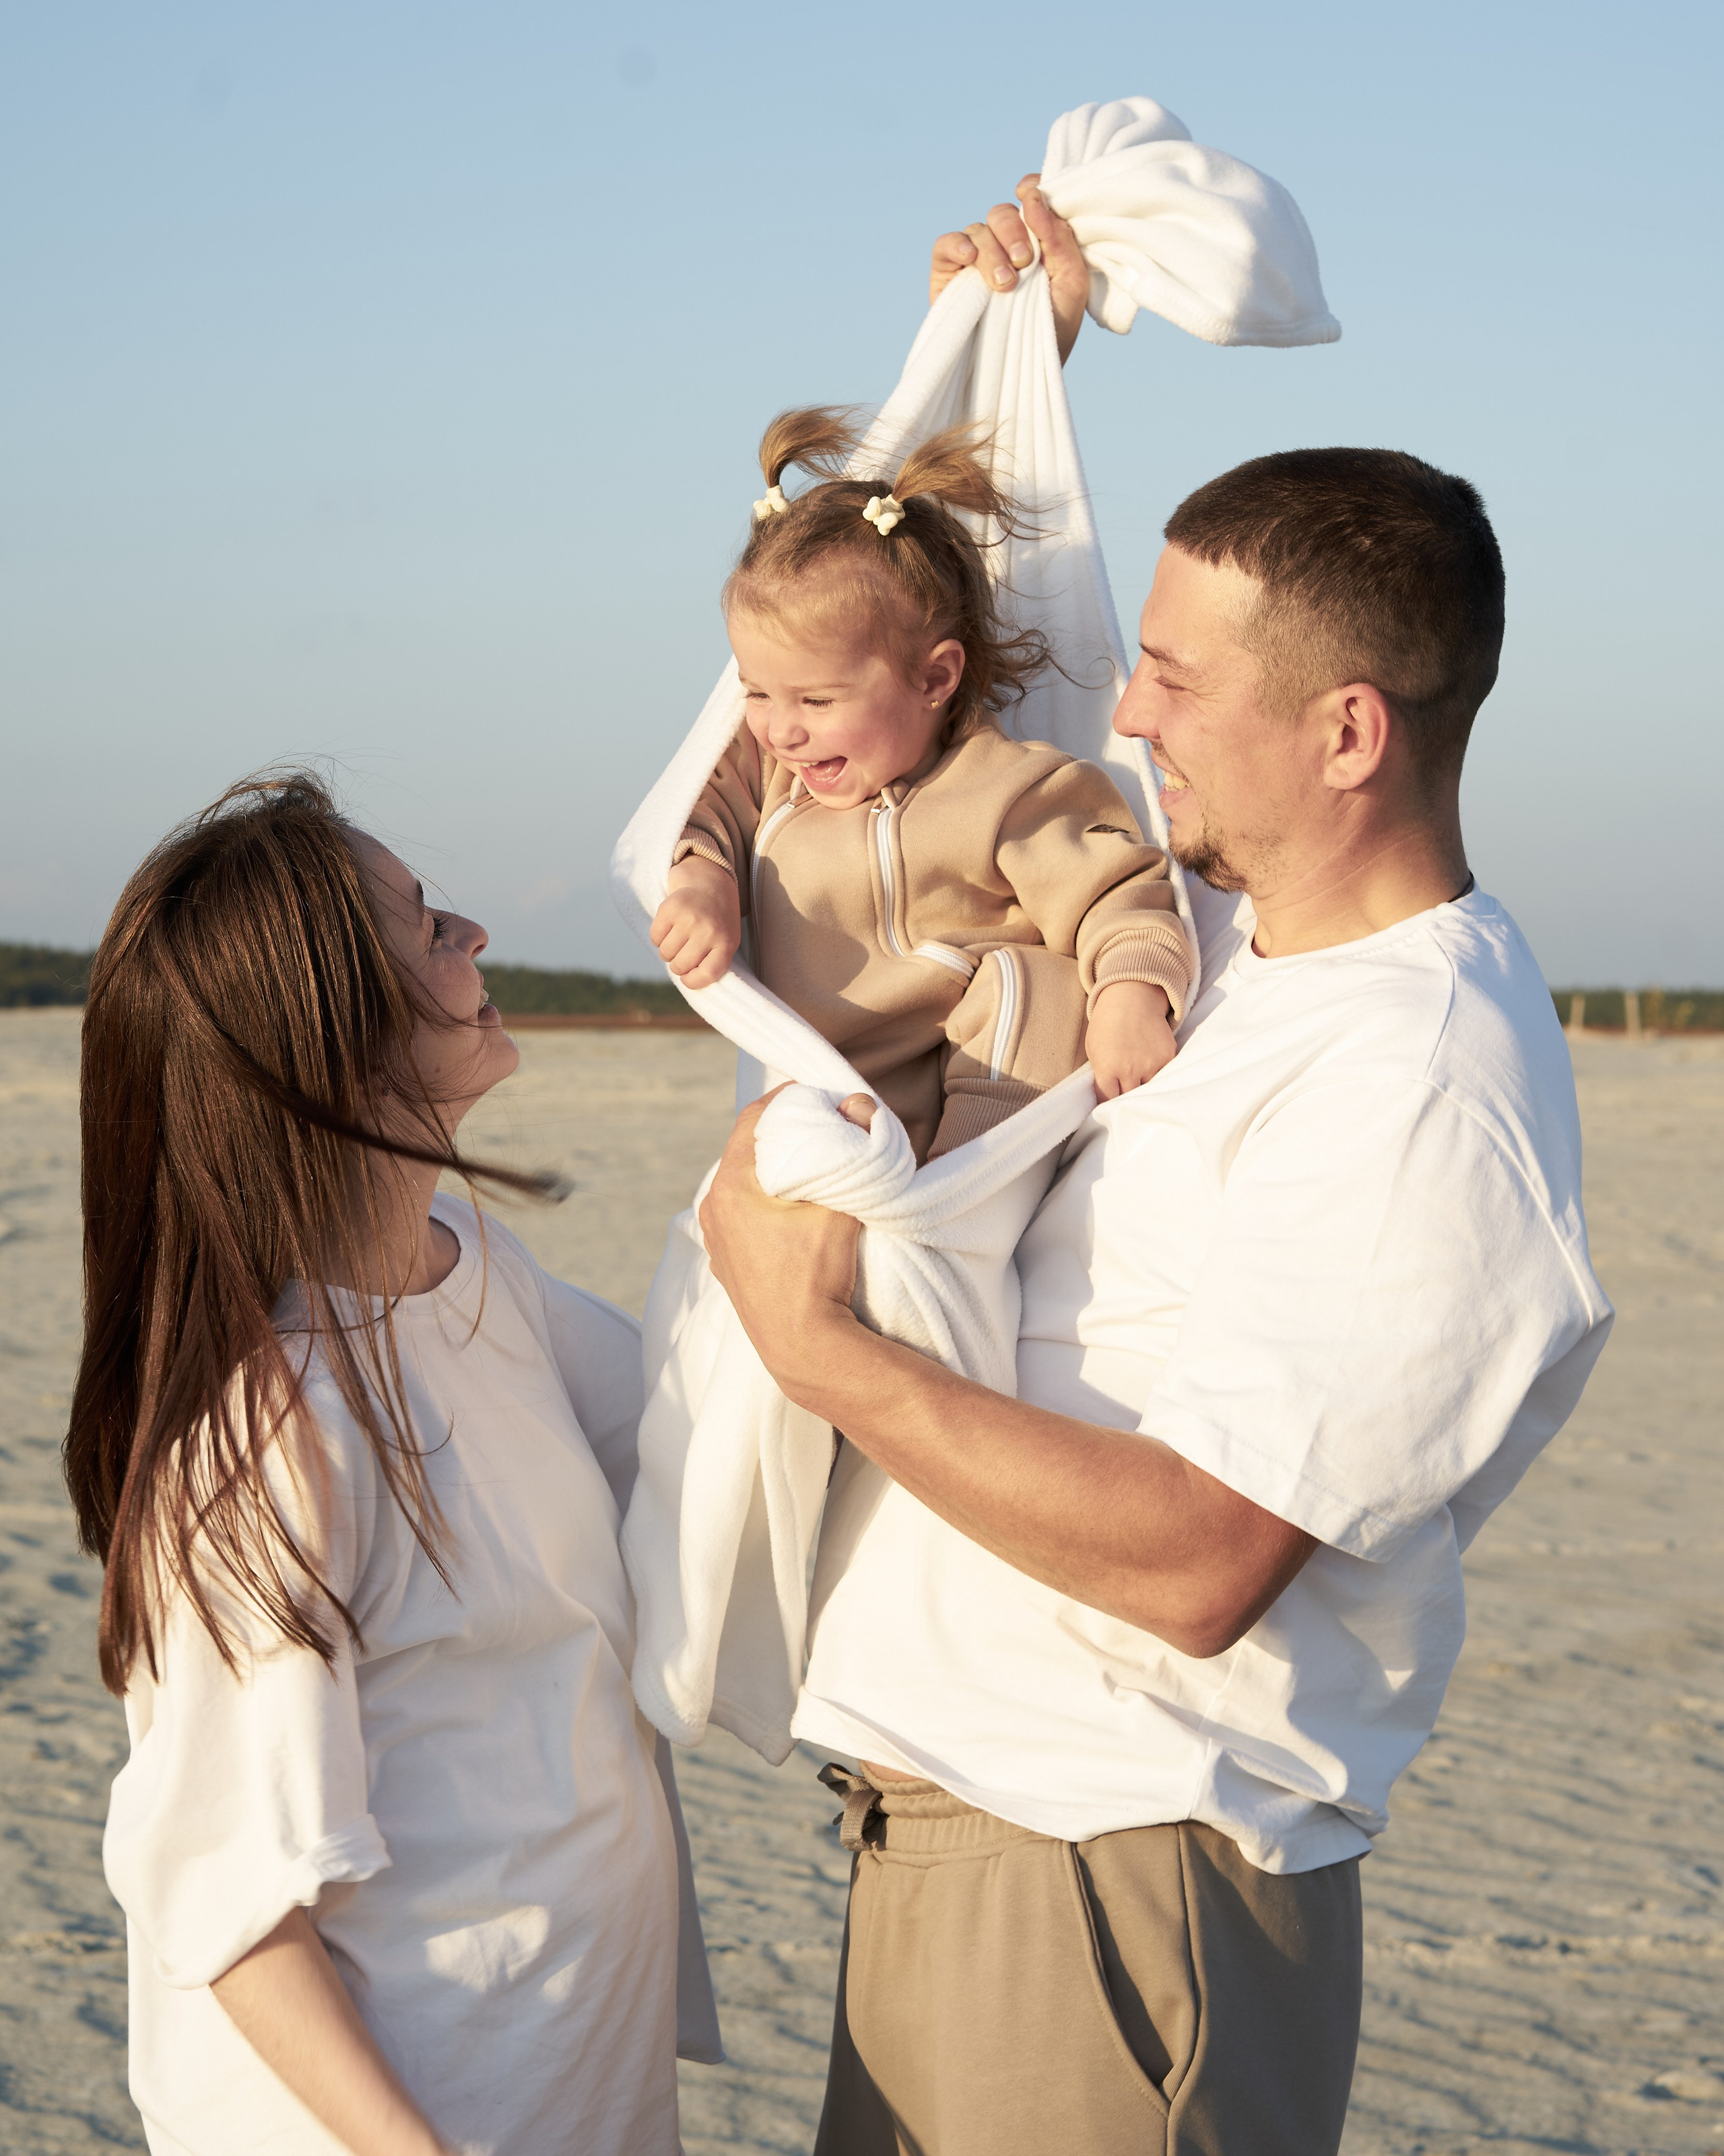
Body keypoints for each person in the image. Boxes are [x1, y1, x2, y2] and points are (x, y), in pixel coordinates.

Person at [694, 181, 1614, 2155]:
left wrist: (821, 1351)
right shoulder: (1216, 944)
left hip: (1118, 1889)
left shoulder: (1416, 1078)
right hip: (969, 1845)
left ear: (1346, 732)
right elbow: (969, 701)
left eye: (1178, 682)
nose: (1124, 708)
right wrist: (1006, 365)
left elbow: (1203, 1557)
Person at [67, 775, 718, 2156]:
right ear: (331, 1044)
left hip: (570, 2093)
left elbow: (705, 1427)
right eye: (426, 926)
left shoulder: (481, 1274)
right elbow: (233, 1905)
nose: (473, 934)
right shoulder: (273, 1439)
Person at [648, 406, 1194, 1161]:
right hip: (837, 1093)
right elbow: (698, 810)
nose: (782, 729)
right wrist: (703, 882)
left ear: (935, 678)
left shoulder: (1011, 791)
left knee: (1030, 983)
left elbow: (1114, 893)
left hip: (992, 1099)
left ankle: (955, 1189)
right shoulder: (770, 772)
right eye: (757, 692)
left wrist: (1132, 993)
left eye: (817, 701)